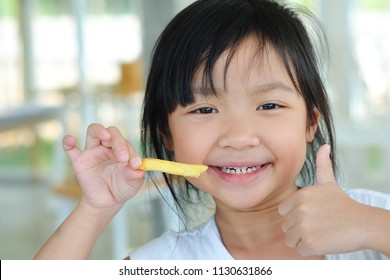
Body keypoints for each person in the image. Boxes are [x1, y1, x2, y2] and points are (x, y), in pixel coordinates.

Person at [34, 0, 390, 260]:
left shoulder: (371, 220)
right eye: (204, 109)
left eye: (269, 106)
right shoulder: (166, 264)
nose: (238, 137)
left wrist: (370, 227)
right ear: (168, 135)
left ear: (310, 122)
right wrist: (96, 208)